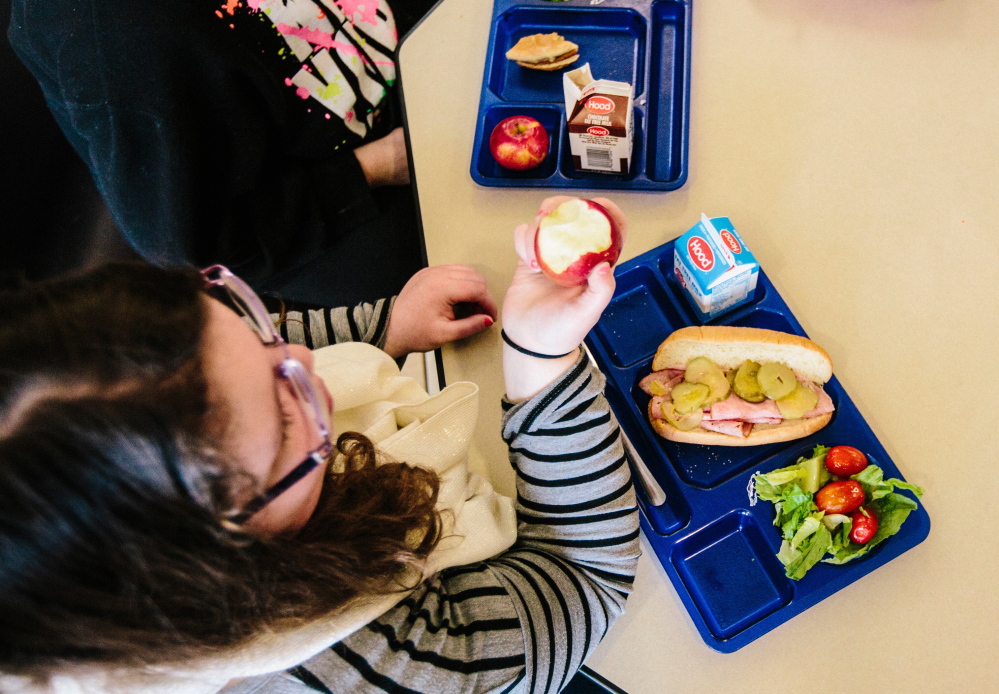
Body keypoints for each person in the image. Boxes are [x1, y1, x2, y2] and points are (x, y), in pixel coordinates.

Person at [0, 198, 640, 694]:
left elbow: (266, 343)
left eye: (240, 318)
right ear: (218, 569)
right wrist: (540, 358)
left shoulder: (176, 394)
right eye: (284, 425)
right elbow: (581, 581)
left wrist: (385, 325)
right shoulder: (371, 665)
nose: (307, 360)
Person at [7, 0, 439, 309]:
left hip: (400, 58)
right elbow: (203, 244)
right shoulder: (116, 41)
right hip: (323, 211)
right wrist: (380, 165)